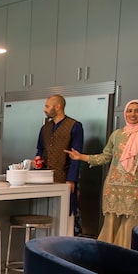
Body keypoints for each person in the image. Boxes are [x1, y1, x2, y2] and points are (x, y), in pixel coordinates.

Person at [65, 99, 138, 248]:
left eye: (137, 110)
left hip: (136, 189)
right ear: (125, 113)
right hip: (113, 187)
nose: (133, 114)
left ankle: (125, 260)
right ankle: (106, 256)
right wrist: (81, 156)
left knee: (130, 226)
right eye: (129, 111)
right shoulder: (117, 134)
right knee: (110, 223)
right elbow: (106, 156)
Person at [36, 94, 84, 235]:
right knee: (47, 211)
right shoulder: (45, 128)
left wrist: (71, 179)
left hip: (65, 176)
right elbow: (40, 149)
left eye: (47, 106)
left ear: (58, 107)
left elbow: (77, 155)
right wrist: (37, 160)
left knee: (68, 213)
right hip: (45, 178)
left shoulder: (75, 126)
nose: (45, 109)